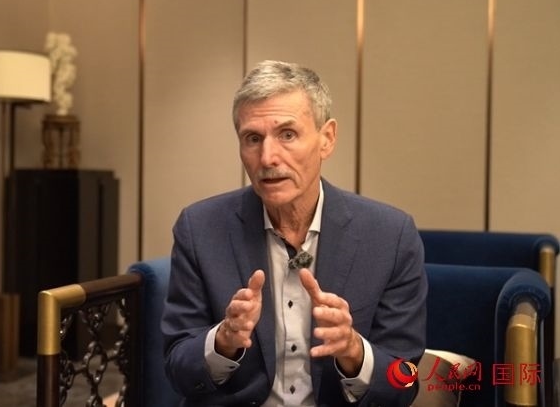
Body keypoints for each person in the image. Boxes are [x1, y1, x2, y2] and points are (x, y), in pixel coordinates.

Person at [161, 60, 427, 407]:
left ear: (327, 139)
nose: (267, 157)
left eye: (287, 134)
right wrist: (223, 341)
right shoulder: (200, 229)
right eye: (253, 138)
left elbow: (402, 381)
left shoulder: (390, 236)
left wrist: (353, 350)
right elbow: (177, 368)